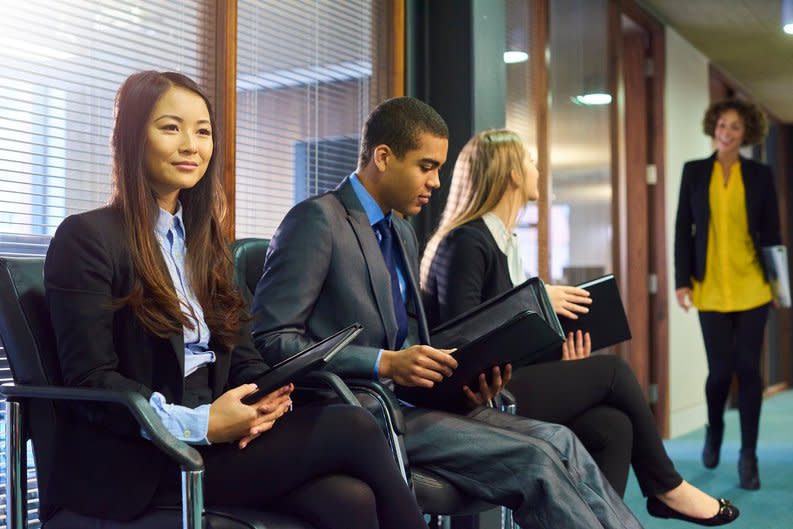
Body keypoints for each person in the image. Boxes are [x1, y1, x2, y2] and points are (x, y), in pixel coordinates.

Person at [43, 71, 426, 529]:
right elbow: (92, 381)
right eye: (171, 128)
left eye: (203, 131)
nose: (191, 145)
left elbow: (242, 354)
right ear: (131, 136)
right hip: (145, 455)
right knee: (355, 425)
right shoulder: (86, 238)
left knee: (349, 501)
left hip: (221, 435)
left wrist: (265, 398)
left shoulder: (205, 244)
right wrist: (201, 423)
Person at [252, 96, 647, 529]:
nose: (437, 182)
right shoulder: (317, 221)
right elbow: (274, 340)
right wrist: (384, 362)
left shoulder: (401, 230)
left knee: (561, 440)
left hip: (420, 403)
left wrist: (464, 381)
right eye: (427, 166)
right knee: (536, 459)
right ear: (383, 157)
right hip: (362, 410)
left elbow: (421, 338)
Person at [421, 129, 740, 526]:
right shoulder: (468, 241)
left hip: (508, 381)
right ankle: (667, 488)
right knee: (615, 372)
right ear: (512, 175)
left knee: (613, 427)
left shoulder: (507, 244)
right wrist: (536, 302)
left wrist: (558, 357)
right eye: (531, 162)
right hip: (475, 399)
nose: (538, 170)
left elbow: (507, 337)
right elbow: (460, 341)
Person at [674, 99, 780, 490]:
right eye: (722, 124)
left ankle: (747, 456)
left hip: (753, 286)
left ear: (746, 133)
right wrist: (681, 280)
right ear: (713, 127)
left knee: (749, 371)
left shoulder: (760, 175)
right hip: (710, 289)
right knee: (720, 372)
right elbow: (682, 229)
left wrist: (778, 285)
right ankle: (715, 427)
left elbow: (772, 234)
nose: (727, 131)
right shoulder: (695, 172)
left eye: (736, 126)